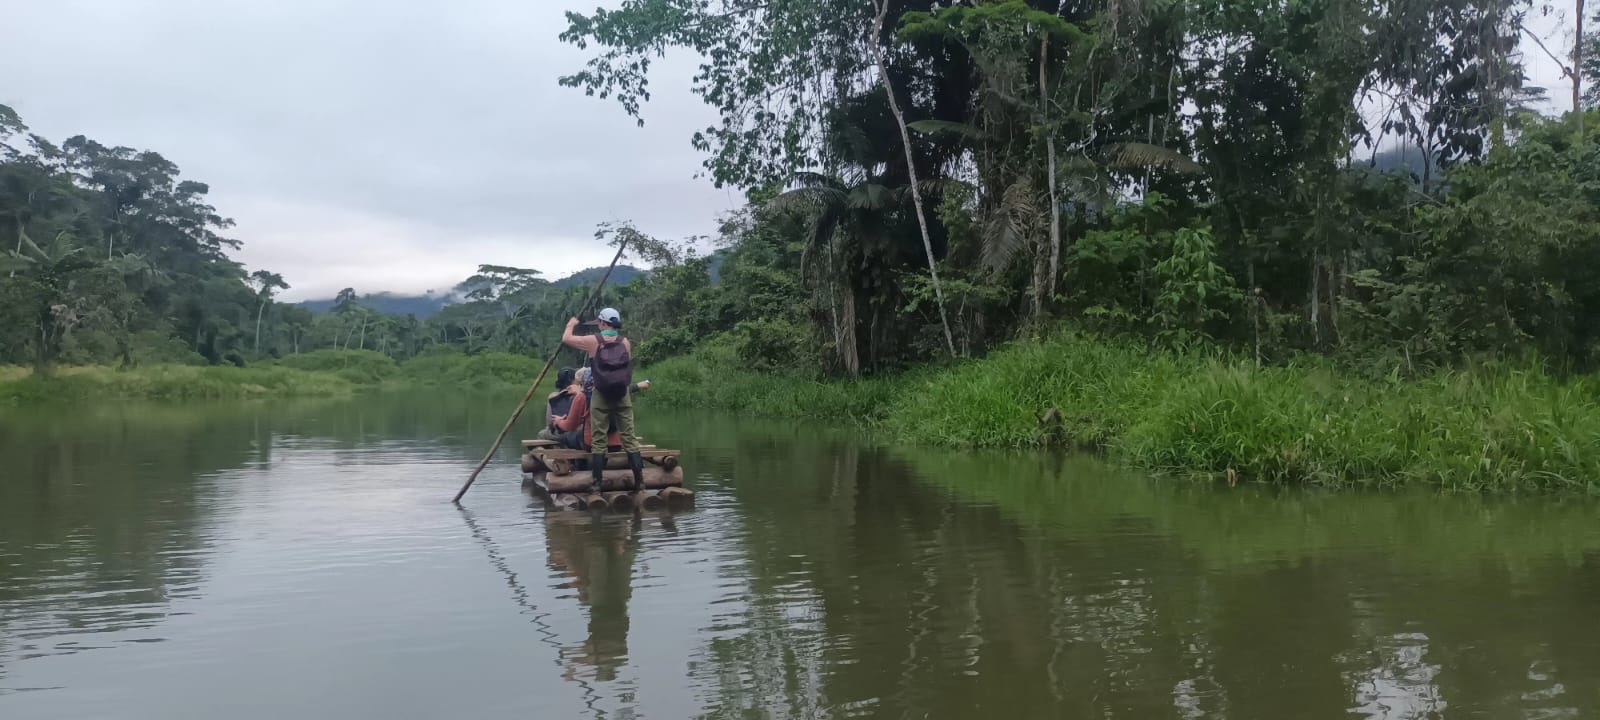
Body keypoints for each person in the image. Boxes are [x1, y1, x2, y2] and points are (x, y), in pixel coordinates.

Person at [562, 307, 642, 493]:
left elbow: (566, 339)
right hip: (622, 393)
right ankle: (640, 482)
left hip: (601, 394)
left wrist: (571, 324)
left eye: (599, 322)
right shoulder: (626, 342)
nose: (598, 325)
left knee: (599, 439)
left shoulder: (593, 342)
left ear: (603, 323)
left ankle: (597, 484)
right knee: (629, 438)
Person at [539, 366, 578, 441]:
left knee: (541, 433)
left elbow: (549, 422)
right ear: (572, 381)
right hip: (573, 432)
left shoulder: (553, 396)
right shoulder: (579, 395)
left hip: (560, 433)